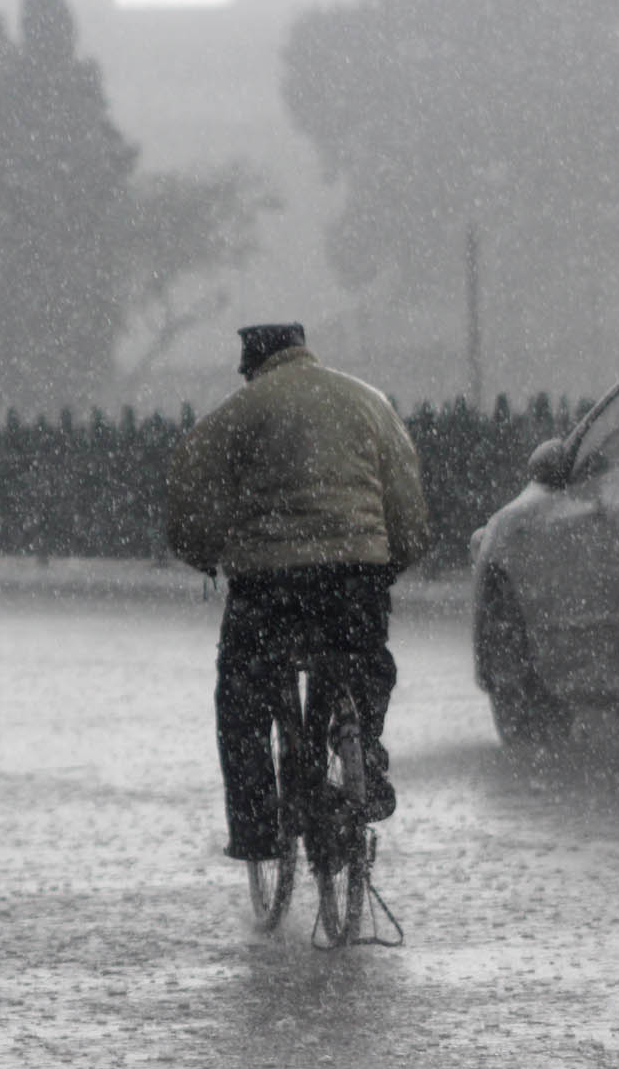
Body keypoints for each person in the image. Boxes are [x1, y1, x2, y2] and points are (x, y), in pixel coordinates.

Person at [167, 323, 431, 862]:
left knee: (243, 692)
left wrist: (203, 554)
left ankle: (258, 826)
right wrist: (391, 560)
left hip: (270, 582)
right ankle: (364, 752)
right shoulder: (367, 402)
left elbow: (189, 495)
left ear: (252, 366)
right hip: (354, 573)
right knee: (362, 662)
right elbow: (404, 498)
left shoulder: (237, 414)